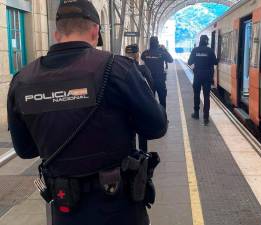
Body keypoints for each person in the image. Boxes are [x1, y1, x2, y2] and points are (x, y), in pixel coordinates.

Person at [7, 1, 167, 225]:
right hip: (118, 206)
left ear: (56, 34)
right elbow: (157, 127)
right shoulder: (118, 68)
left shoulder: (22, 80)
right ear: (95, 31)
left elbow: (25, 150)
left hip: (65, 208)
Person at [125, 44, 153, 152]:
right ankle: (143, 155)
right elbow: (151, 85)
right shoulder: (143, 69)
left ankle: (131, 155)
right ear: (137, 55)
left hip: (126, 109)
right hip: (141, 107)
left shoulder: (118, 69)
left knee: (128, 134)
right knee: (142, 134)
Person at [188, 35, 218, 126]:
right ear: (207, 41)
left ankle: (196, 114)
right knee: (206, 96)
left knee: (196, 94)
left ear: (200, 41)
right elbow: (215, 62)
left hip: (197, 76)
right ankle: (206, 118)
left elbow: (189, 62)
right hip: (207, 76)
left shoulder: (195, 50)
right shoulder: (210, 50)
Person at [141, 37, 173, 109]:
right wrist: (164, 49)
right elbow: (171, 60)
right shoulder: (161, 53)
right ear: (157, 43)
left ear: (150, 43)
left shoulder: (145, 53)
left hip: (149, 81)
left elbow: (142, 57)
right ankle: (163, 118)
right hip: (160, 80)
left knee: (150, 100)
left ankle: (152, 118)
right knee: (162, 99)